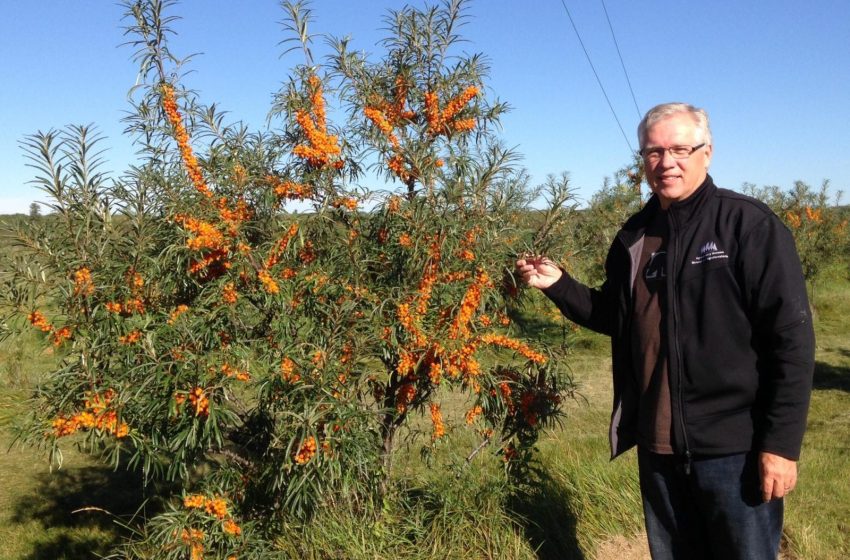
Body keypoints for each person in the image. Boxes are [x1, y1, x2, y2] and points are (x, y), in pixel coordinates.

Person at [516, 102, 814, 559]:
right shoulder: (634, 236)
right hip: (658, 448)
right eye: (654, 152)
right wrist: (559, 285)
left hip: (735, 449)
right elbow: (616, 317)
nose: (666, 162)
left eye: (680, 149)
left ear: (707, 153)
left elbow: (791, 340)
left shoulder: (747, 225)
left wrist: (780, 445)